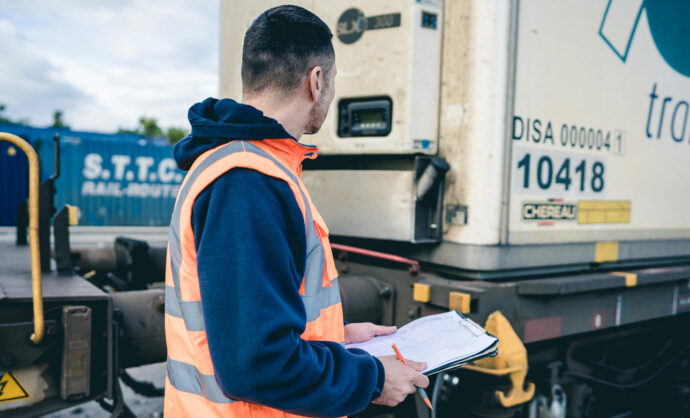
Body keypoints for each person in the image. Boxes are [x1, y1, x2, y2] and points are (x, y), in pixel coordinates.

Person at [164, 5, 429, 417]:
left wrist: (336, 339)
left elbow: (251, 329)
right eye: (333, 80)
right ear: (317, 81)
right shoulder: (248, 182)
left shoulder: (245, 167)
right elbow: (258, 365)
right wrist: (373, 378)